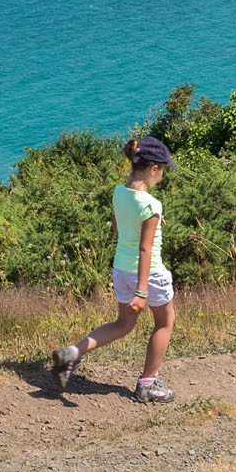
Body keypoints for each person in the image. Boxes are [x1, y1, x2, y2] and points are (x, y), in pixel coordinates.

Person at [49, 135, 179, 403]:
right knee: (165, 323)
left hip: (121, 270)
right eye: (163, 169)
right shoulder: (152, 205)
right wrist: (142, 292)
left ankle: (72, 353)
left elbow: (119, 226)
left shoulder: (120, 192)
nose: (163, 174)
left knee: (122, 324)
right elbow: (145, 250)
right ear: (153, 169)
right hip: (149, 275)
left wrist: (151, 221)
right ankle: (147, 385)